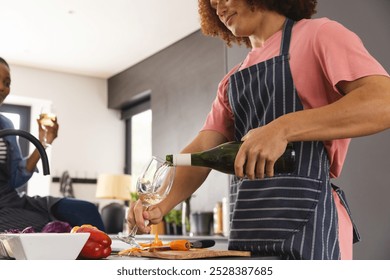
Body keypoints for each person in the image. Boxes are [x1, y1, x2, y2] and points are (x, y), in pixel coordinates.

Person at [128, 0, 390, 260]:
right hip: (248, 235)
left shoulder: (318, 35)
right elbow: (201, 150)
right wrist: (160, 206)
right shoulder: (231, 81)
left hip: (312, 230)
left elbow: (382, 102)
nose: (218, 7)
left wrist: (283, 128)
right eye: (211, 2)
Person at [0, 57, 105, 232]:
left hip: (10, 200)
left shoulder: (6, 125)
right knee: (52, 229)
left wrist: (43, 142)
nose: (2, 87)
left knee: (86, 211)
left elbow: (16, 178)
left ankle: (105, 256)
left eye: (7, 82)